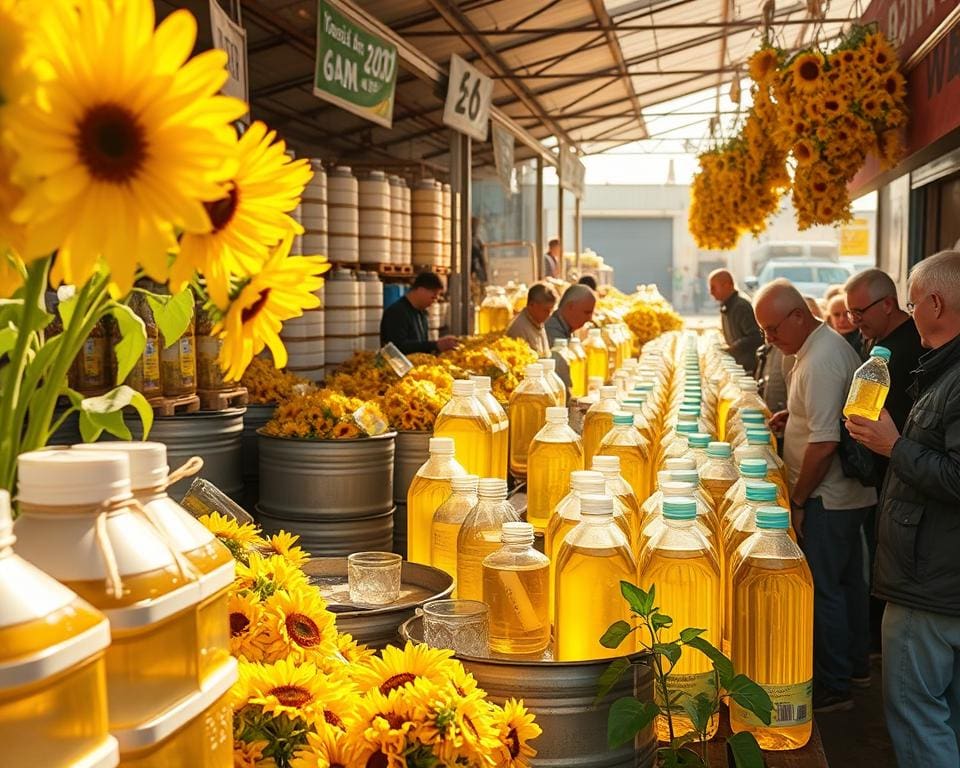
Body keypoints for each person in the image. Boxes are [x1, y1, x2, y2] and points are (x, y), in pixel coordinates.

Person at [846, 251, 960, 768]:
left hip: (929, 581)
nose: (910, 315)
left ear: (936, 302)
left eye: (913, 304)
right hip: (935, 574)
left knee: (917, 715)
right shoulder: (944, 366)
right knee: (944, 715)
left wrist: (895, 447)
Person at [755, 279, 876, 712]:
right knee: (846, 585)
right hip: (843, 497)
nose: (769, 338)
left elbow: (824, 444)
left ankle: (835, 683)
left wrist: (800, 500)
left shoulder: (820, 359)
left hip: (829, 497)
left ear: (799, 316)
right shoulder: (816, 348)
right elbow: (823, 420)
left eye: (772, 329)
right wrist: (797, 417)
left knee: (824, 589)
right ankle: (856, 668)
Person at [379, 271, 458, 355]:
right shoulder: (396, 313)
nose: (434, 301)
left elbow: (421, 346)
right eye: (433, 297)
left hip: (418, 364)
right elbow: (397, 348)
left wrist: (438, 346)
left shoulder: (422, 313)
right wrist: (435, 345)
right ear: (421, 290)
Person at [709, 269, 762, 373]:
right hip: (738, 365)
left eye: (713, 287)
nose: (711, 292)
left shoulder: (740, 306)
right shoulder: (728, 304)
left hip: (747, 368)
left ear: (727, 285)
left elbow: (756, 336)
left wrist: (731, 349)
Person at [545, 284, 596, 390]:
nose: (590, 318)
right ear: (570, 307)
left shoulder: (569, 327)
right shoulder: (552, 331)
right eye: (587, 312)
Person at [506, 283, 556, 356]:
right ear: (532, 305)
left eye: (551, 311)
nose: (549, 314)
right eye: (546, 310)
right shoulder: (519, 328)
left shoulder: (537, 321)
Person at [826, 293, 864, 357]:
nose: (842, 320)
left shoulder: (865, 342)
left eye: (847, 314)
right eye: (836, 315)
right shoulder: (826, 341)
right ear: (829, 319)